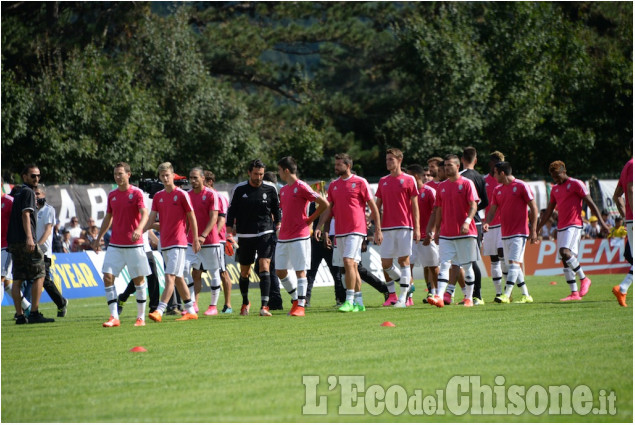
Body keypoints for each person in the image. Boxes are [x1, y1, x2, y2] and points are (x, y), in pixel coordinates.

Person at [315, 153, 383, 312]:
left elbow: (373, 207)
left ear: (348, 166)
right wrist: (319, 226)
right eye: (335, 164)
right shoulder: (333, 185)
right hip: (340, 231)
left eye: (339, 165)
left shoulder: (360, 182)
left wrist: (377, 229)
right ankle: (359, 302)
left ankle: (349, 301)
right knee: (350, 266)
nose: (336, 167)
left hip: (357, 230)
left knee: (348, 262)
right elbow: (329, 209)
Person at [536, 160, 609, 301]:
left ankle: (584, 278)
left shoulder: (576, 184)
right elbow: (549, 211)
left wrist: (602, 223)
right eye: (553, 177)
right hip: (561, 227)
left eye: (557, 175)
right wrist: (537, 228)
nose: (555, 179)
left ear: (564, 171)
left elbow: (591, 204)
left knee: (565, 252)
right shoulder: (555, 189)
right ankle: (574, 294)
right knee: (565, 259)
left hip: (574, 225)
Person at [93, 162, 151, 327]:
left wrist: (139, 229)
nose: (118, 176)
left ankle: (141, 318)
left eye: (120, 173)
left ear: (128, 174)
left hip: (134, 245)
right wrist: (98, 238)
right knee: (107, 276)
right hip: (115, 245)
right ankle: (113, 317)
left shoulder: (137, 193)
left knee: (139, 280)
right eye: (115, 174)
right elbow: (108, 218)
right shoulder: (112, 195)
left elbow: (145, 214)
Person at [143, 162, 200, 322]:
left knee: (170, 277)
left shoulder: (182, 195)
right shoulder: (159, 197)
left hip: (179, 243)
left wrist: (195, 238)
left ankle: (159, 311)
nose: (165, 178)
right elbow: (151, 219)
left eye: (167, 175)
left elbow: (192, 217)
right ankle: (190, 310)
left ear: (173, 175)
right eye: (162, 176)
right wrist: (140, 230)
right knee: (179, 277)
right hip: (165, 243)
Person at [274, 157, 329, 316]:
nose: (279, 174)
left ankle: (301, 306)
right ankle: (296, 299)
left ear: (286, 170)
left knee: (300, 271)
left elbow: (324, 203)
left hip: (300, 235)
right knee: (280, 271)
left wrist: (310, 219)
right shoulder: (283, 190)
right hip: (284, 236)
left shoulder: (302, 186)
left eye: (279, 170)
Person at [226, 159, 281, 317]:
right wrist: (229, 233)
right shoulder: (239, 189)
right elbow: (231, 212)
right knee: (244, 272)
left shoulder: (270, 188)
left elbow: (277, 209)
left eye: (261, 174)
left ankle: (264, 306)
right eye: (256, 174)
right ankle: (245, 302)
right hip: (245, 234)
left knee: (264, 265)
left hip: (266, 232)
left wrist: (278, 224)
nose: (259, 177)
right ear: (249, 173)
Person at [427, 154, 479, 308]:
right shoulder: (442, 186)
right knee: (444, 264)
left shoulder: (467, 183)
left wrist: (467, 221)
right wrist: (436, 230)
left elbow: (473, 205)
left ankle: (468, 298)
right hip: (446, 234)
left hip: (465, 232)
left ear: (457, 166)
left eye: (450, 165)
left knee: (467, 265)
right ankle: (439, 297)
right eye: (445, 166)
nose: (446, 168)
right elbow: (439, 209)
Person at [483, 161, 538, 303]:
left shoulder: (521, 186)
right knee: (513, 264)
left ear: (502, 173)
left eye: (495, 173)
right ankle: (526, 295)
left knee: (513, 263)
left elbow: (534, 208)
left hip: (520, 232)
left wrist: (533, 230)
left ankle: (506, 295)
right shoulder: (497, 190)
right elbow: (493, 209)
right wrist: (487, 222)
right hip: (505, 233)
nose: (493, 176)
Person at [7, 165, 54, 324]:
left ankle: (20, 316)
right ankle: (34, 313)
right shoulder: (28, 192)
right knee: (40, 273)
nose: (36, 179)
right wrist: (29, 238)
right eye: (33, 176)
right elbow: (26, 215)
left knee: (18, 278)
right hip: (25, 240)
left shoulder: (17, 191)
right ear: (24, 176)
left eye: (38, 176)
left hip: (13, 240)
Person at [375, 148, 420, 308]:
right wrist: (377, 229)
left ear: (399, 160)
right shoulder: (383, 181)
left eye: (391, 159)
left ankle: (402, 298)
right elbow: (377, 206)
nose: (388, 162)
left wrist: (417, 228)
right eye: (387, 159)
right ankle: (406, 285)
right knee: (385, 263)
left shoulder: (409, 180)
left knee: (403, 260)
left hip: (405, 227)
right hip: (387, 228)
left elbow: (415, 206)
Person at [183, 167, 220, 315]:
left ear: (203, 178)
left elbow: (214, 218)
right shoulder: (187, 195)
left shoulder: (211, 194)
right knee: (185, 269)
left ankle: (213, 306)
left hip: (210, 241)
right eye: (191, 178)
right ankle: (192, 303)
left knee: (214, 272)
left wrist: (203, 236)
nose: (192, 181)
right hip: (191, 241)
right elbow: (186, 219)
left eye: (195, 178)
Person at [406, 164, 439, 304]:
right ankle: (409, 296)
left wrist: (431, 233)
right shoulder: (406, 193)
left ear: (416, 177)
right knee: (407, 266)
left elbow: (438, 213)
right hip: (410, 237)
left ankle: (437, 293)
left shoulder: (430, 191)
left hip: (427, 237)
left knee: (432, 266)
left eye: (409, 175)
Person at [34, 184, 68, 317]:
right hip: (31, 249)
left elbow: (48, 230)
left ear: (44, 195)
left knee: (45, 280)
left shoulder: (49, 210)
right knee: (30, 279)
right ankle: (27, 308)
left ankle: (61, 302)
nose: (35, 196)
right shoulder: (31, 210)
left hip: (43, 251)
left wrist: (38, 244)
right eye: (34, 194)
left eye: (38, 194)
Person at [204, 170, 233, 314]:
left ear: (209, 182)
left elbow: (221, 219)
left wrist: (213, 235)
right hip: (203, 240)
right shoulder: (201, 196)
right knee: (196, 272)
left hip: (217, 240)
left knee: (222, 272)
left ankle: (228, 304)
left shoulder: (219, 197)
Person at [613, 158, 633, 306]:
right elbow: (631, 190)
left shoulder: (627, 165)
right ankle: (623, 287)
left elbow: (616, 195)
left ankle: (623, 287)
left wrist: (626, 216)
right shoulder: (633, 165)